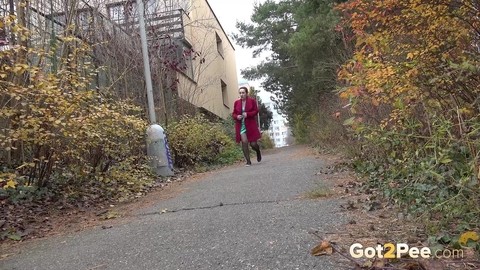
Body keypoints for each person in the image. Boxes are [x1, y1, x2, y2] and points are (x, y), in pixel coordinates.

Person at [232, 86, 262, 166]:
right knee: (244, 142)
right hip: (241, 125)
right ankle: (248, 161)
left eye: (243, 93)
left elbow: (256, 111)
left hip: (250, 125)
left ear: (246, 93)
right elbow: (233, 114)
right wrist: (237, 116)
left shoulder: (252, 101)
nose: (241, 94)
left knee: (253, 144)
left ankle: (258, 151)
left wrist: (247, 114)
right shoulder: (237, 103)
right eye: (240, 93)